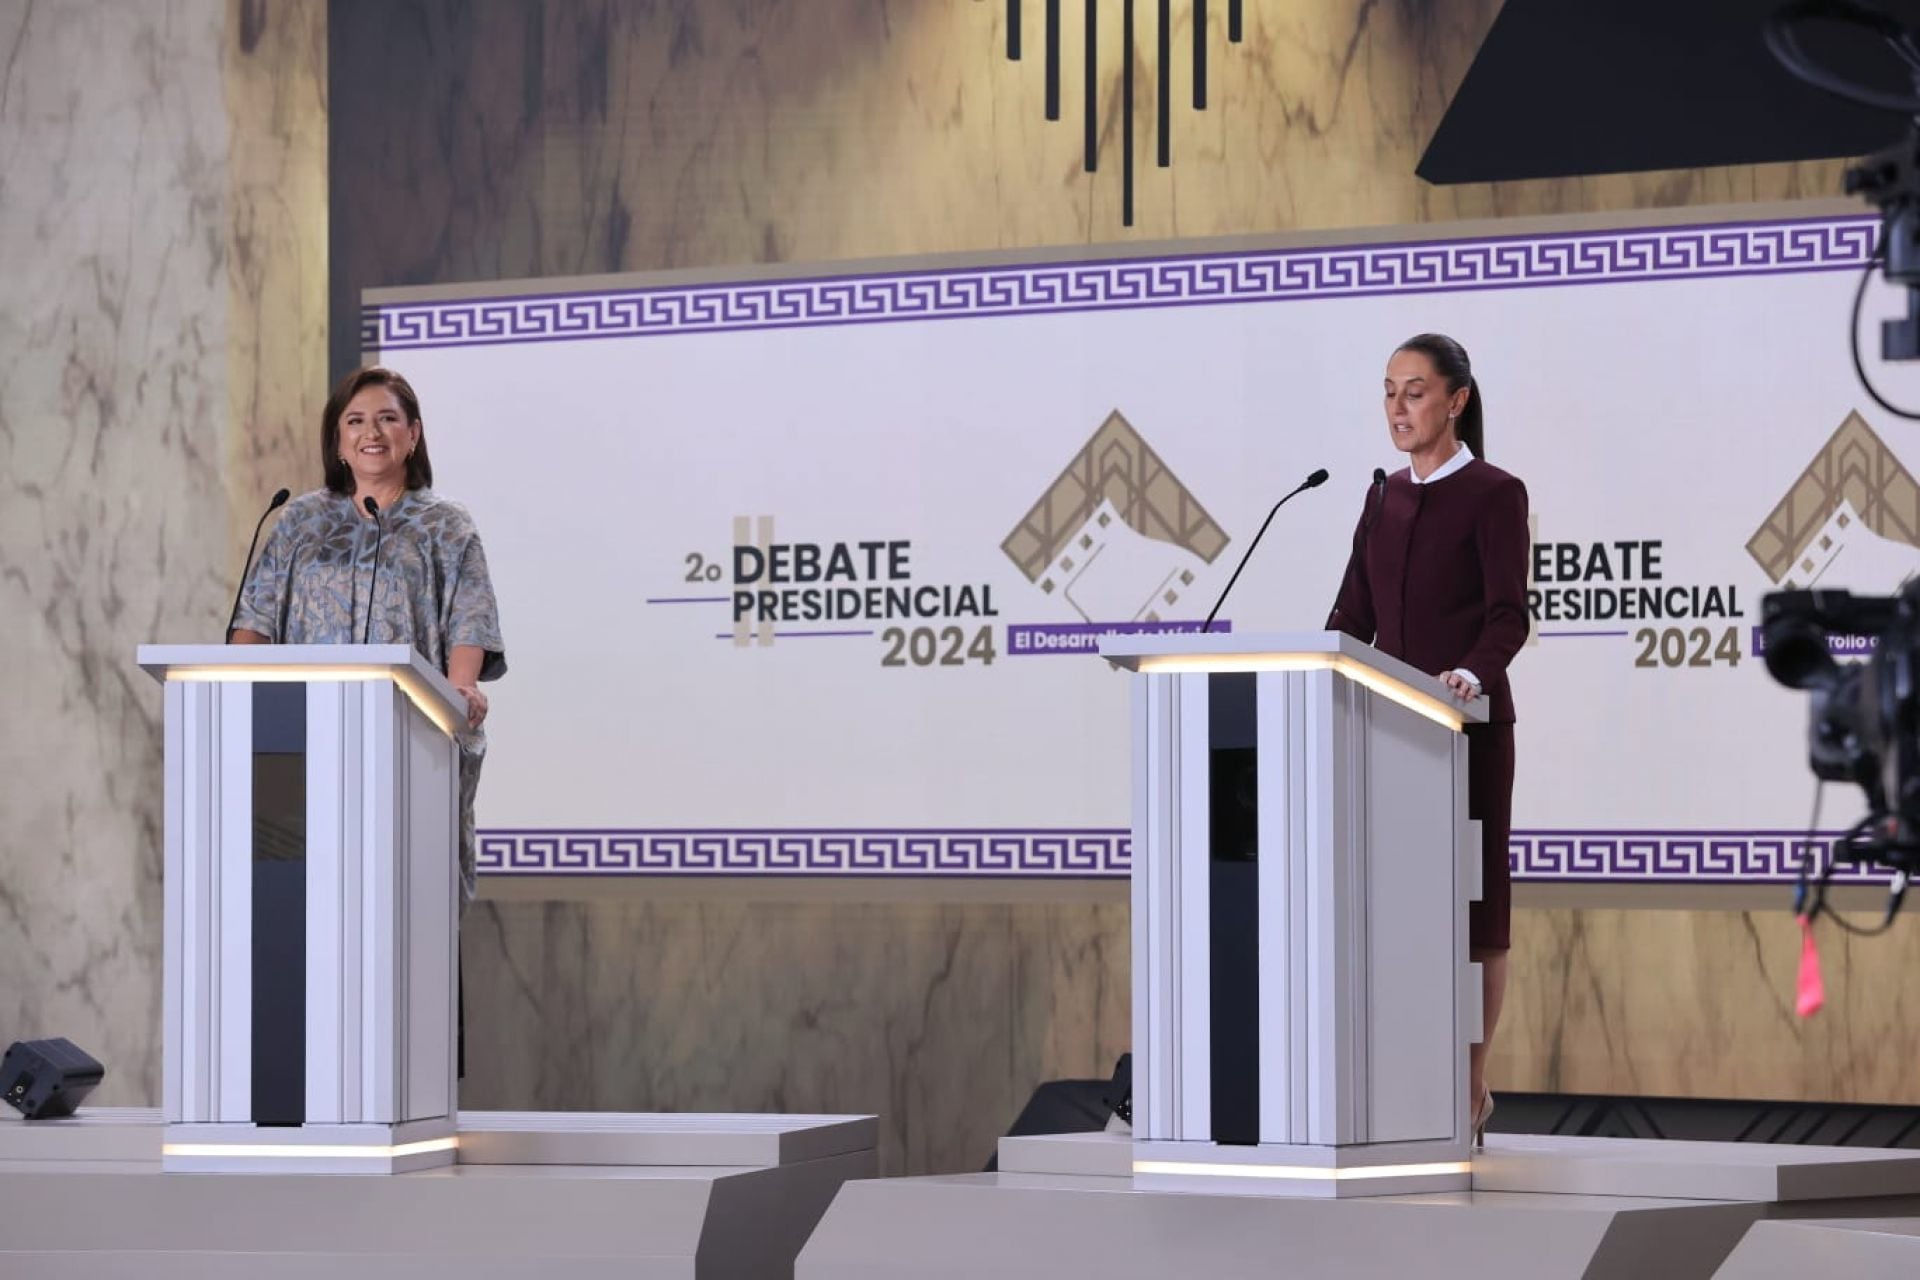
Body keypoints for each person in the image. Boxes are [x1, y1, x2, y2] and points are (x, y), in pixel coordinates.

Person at [1325, 333, 1528, 1149]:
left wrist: (1468, 678)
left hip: (1467, 730)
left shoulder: (1493, 492)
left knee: (1474, 910)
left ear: (1456, 400)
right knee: (1395, 906)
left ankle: (1469, 1082)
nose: (1398, 409)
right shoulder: (1381, 498)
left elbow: (1508, 615)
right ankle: (1402, 1074)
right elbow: (1349, 618)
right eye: (1388, 392)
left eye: (1414, 392)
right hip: (1385, 732)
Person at [229, 365, 506, 916]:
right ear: (338, 440)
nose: (370, 432)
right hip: (302, 740)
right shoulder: (299, 519)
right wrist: (237, 689)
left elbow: (469, 619)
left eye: (387, 418)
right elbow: (255, 618)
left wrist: (460, 691)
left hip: (408, 734)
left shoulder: (446, 524)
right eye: (355, 421)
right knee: (299, 907)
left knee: (397, 906)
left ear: (413, 435)